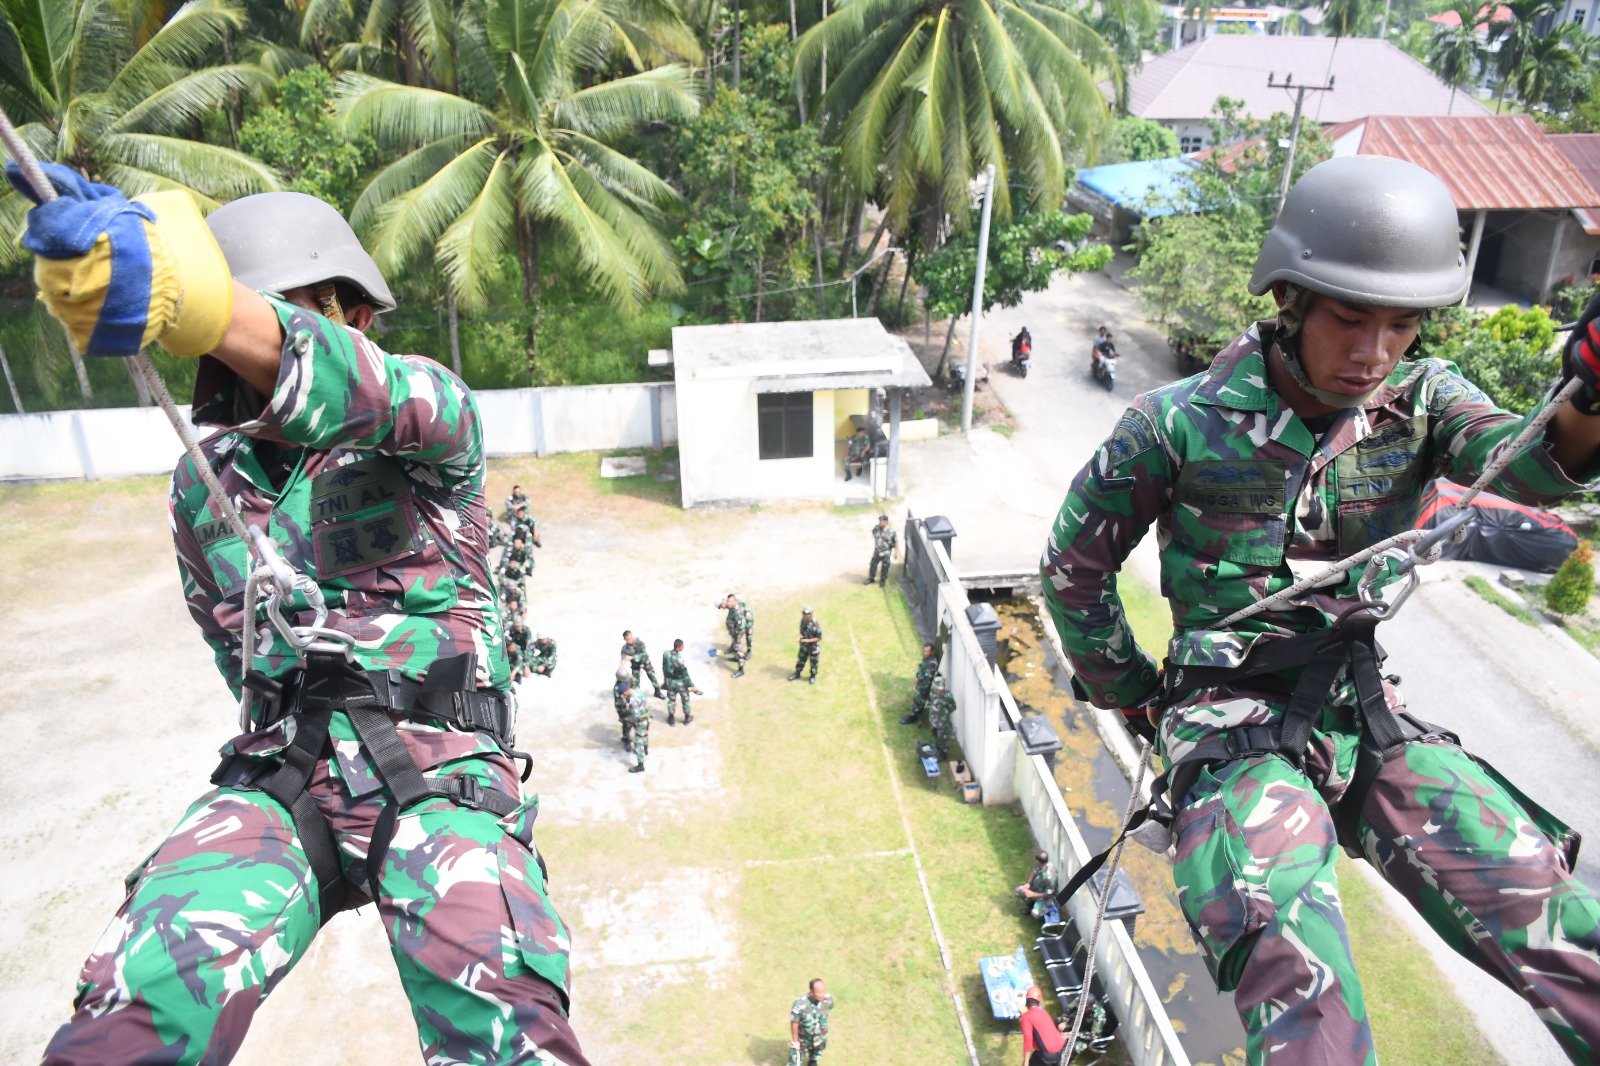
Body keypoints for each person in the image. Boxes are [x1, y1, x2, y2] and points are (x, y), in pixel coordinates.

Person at [4, 168, 588, 1063]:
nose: (241, 358)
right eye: (230, 336)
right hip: (281, 778)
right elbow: (232, 648)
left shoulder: (427, 423)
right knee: (138, 997)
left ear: (353, 317)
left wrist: (200, 300)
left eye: (278, 318)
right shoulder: (203, 487)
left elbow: (366, 388)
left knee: (503, 1018)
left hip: (443, 777)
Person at [1041, 156, 1600, 1063]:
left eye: (1401, 325)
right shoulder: (1175, 423)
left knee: (1548, 908)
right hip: (1229, 719)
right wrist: (1136, 694)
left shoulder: (1424, 402)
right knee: (1301, 982)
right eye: (1350, 318)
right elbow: (1074, 569)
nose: (1375, 350)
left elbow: (1528, 464)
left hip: (1362, 711)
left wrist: (1592, 394)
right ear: (1291, 300)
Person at [788, 978, 835, 1066]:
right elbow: (794, 1022)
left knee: (816, 1052)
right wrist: (795, 1041)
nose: (822, 995)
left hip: (819, 1036)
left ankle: (813, 1060)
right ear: (811, 992)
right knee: (794, 1062)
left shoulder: (828, 999)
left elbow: (829, 1008)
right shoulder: (800, 1003)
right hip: (803, 1038)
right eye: (819, 992)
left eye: (823, 991)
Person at [1018, 986, 1068, 1066]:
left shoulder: (1026, 1017)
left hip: (1047, 1056)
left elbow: (1028, 1038)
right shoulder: (1044, 1012)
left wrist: (1026, 1062)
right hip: (1059, 1051)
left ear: (1026, 1000)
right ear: (1039, 1001)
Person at [661, 638, 703, 726]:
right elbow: (685, 674)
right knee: (685, 700)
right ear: (679, 647)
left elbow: (664, 667)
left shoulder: (666, 654)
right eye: (682, 646)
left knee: (671, 700)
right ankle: (687, 718)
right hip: (680, 683)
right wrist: (692, 686)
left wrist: (665, 681)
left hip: (669, 681)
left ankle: (671, 718)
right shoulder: (679, 659)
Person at [901, 643, 939, 724]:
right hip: (922, 684)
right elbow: (921, 668)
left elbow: (926, 676)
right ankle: (914, 713)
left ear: (932, 652)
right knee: (917, 699)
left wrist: (918, 678)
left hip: (925, 686)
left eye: (927, 652)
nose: (924, 653)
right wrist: (918, 675)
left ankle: (913, 717)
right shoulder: (927, 659)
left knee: (919, 700)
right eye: (924, 651)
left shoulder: (932, 663)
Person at [1013, 850, 1058, 920]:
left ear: (1040, 861)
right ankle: (1031, 906)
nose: (1036, 862)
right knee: (1019, 891)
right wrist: (1028, 883)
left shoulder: (1050, 877)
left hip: (1044, 898)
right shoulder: (1039, 865)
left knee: (1035, 914)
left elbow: (1048, 895)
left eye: (1037, 861)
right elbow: (1034, 872)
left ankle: (1043, 915)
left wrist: (1032, 894)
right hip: (1036, 889)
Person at [620, 629, 663, 697]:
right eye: (627, 639)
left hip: (645, 661)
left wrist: (632, 657)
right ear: (625, 639)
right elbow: (623, 657)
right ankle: (637, 694)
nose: (629, 640)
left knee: (652, 676)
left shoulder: (639, 643)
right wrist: (622, 664)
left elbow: (643, 653)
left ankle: (657, 692)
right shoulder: (625, 648)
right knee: (635, 681)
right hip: (635, 664)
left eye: (630, 638)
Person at [720, 592, 753, 677]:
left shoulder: (737, 610)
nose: (721, 608)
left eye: (720, 606)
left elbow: (741, 625)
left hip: (737, 632)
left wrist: (736, 636)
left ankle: (741, 670)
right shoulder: (731, 606)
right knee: (736, 647)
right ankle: (736, 657)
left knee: (738, 650)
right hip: (735, 632)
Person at [789, 607, 822, 684]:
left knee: (813, 663)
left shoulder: (816, 624)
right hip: (803, 647)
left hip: (813, 648)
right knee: (801, 660)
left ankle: (812, 676)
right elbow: (801, 628)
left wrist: (807, 640)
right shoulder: (803, 620)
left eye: (806, 614)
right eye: (803, 614)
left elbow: (819, 638)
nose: (804, 615)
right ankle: (797, 673)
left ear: (811, 614)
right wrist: (799, 634)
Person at [624, 684, 651, 774]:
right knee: (645, 734)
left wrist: (629, 720)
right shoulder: (638, 691)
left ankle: (640, 765)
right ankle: (646, 749)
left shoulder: (633, 701)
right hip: (647, 717)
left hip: (640, 723)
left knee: (638, 742)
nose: (624, 695)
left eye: (624, 693)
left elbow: (636, 716)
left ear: (626, 691)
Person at [866, 513, 898, 587]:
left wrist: (896, 553)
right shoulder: (876, 528)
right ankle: (871, 578)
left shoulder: (892, 531)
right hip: (877, 552)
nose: (880, 522)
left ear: (886, 521)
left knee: (885, 567)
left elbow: (896, 542)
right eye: (879, 521)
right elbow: (874, 533)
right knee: (873, 565)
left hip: (886, 553)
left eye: (881, 521)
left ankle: (882, 580)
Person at [928, 676, 956, 760]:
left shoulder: (947, 696)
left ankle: (943, 754)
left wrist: (945, 712)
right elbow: (932, 702)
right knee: (935, 733)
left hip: (942, 720)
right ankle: (938, 746)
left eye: (941, 688)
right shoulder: (933, 692)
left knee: (943, 736)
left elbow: (953, 707)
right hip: (934, 718)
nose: (939, 690)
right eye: (937, 688)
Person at [505, 619, 533, 683]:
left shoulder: (526, 631)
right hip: (512, 648)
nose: (519, 627)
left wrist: (526, 665)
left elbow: (527, 649)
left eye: (520, 626)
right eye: (517, 626)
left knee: (524, 672)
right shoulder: (509, 629)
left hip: (524, 650)